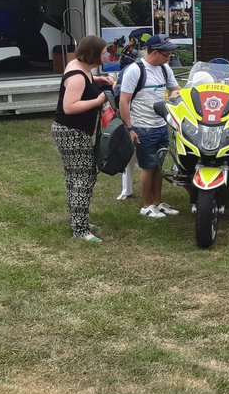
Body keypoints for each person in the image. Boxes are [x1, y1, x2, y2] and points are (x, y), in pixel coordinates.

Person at [51, 36, 113, 242]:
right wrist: (98, 99)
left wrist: (97, 81)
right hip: (72, 132)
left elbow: (84, 83)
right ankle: (80, 230)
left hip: (72, 131)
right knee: (84, 178)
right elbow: (70, 107)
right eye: (103, 52)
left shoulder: (80, 67)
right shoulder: (78, 75)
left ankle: (79, 220)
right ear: (93, 54)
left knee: (74, 176)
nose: (106, 55)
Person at [118, 35, 182, 220]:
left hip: (162, 125)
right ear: (154, 52)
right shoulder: (134, 70)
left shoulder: (164, 68)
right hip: (142, 127)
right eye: (166, 54)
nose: (169, 57)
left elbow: (176, 88)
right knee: (148, 166)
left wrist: (175, 94)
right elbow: (124, 101)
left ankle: (157, 202)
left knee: (158, 166)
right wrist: (130, 128)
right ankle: (147, 206)